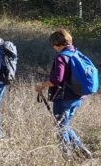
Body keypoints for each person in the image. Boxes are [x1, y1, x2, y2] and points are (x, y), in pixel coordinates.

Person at [34, 29, 92, 158]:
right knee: (64, 125)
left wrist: (42, 86)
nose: (53, 48)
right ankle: (83, 151)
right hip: (78, 96)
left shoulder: (61, 57)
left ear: (57, 43)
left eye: (53, 45)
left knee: (60, 127)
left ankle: (68, 156)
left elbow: (57, 80)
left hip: (64, 97)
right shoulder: (76, 53)